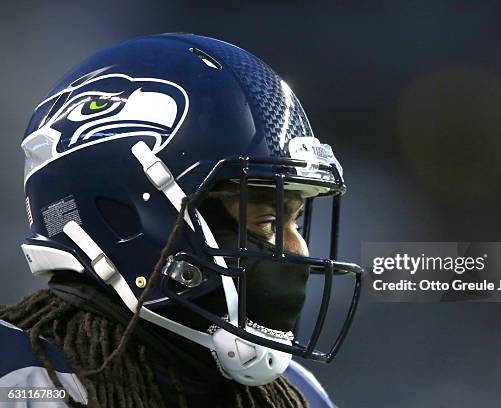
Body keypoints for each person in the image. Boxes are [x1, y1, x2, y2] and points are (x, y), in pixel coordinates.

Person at [0, 33, 362, 407]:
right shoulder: (17, 382)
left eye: (295, 222)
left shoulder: (294, 395)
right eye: (267, 220)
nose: (297, 249)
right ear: (126, 218)